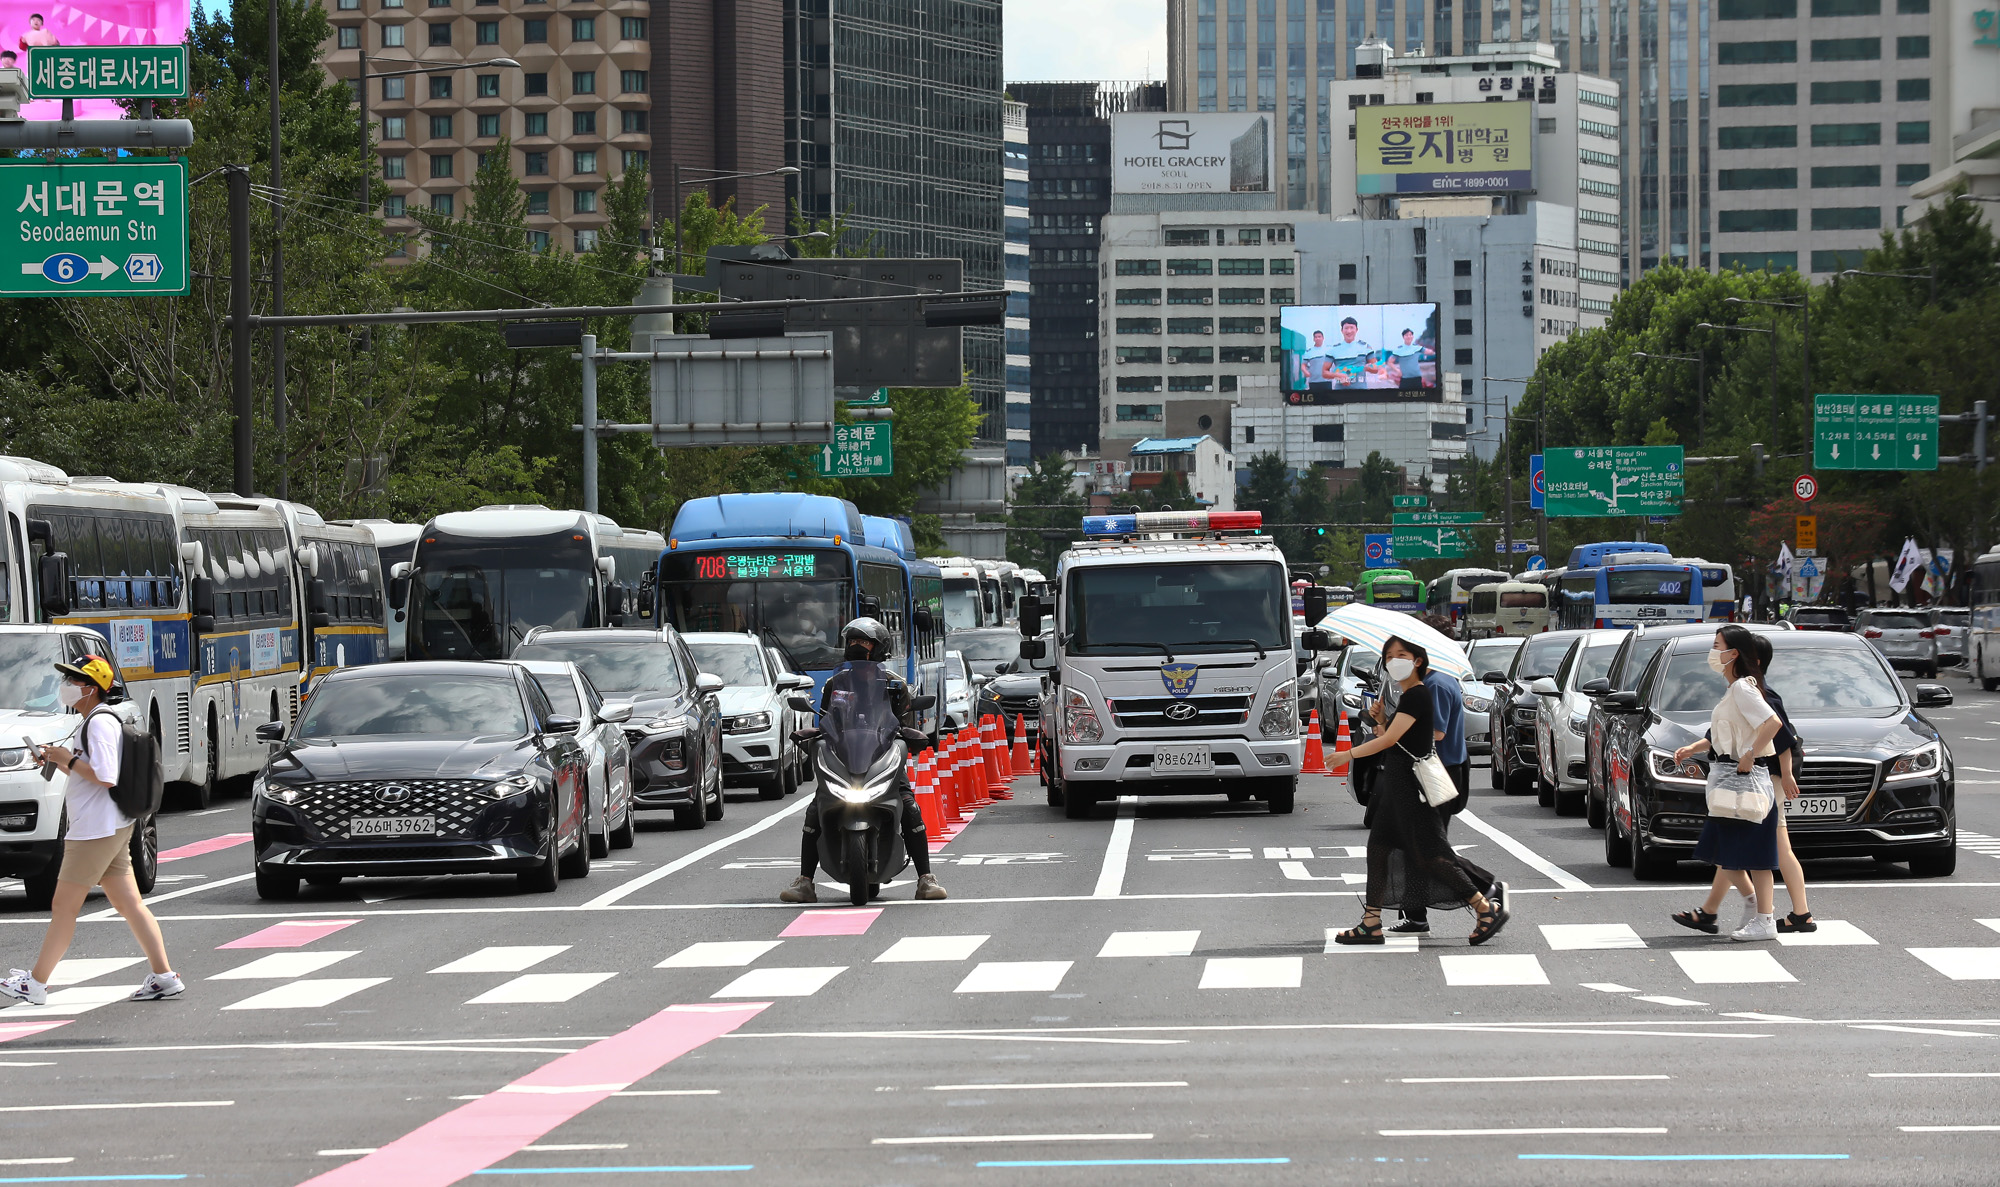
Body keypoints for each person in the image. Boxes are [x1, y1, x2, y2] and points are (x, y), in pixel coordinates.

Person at [0, 656, 180, 1007]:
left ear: (90, 689)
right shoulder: (93, 721)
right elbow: (92, 774)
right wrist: (59, 759)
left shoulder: (98, 724)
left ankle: (35, 984)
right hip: (109, 826)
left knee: (63, 907)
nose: (66, 685)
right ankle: (164, 976)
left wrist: (66, 759)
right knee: (128, 904)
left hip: (94, 832)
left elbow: (105, 774)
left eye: (72, 679)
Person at [1333, 637, 1507, 946]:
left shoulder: (1418, 695)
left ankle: (1485, 907)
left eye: (1401, 654)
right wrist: (1382, 721)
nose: (1393, 660)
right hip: (1397, 787)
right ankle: (1371, 921)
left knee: (1431, 856)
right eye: (1389, 656)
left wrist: (1347, 755)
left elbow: (1390, 743)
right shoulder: (1408, 696)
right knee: (1378, 848)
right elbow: (1398, 740)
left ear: (1417, 660)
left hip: (1413, 790)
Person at [780, 618, 946, 903]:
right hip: (845, 759)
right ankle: (805, 881)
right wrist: (814, 734)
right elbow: (826, 721)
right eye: (853, 641)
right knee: (816, 807)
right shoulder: (836, 683)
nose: (857, 647)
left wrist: (911, 737)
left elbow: (903, 728)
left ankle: (925, 878)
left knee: (909, 806)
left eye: (864, 642)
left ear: (879, 648)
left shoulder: (895, 685)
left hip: (882, 758)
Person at [1670, 625, 1786, 942]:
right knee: (1725, 853)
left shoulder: (1743, 689)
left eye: (1717, 644)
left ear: (1733, 653)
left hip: (1745, 781)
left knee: (1753, 856)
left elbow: (1773, 723)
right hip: (1731, 781)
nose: (1713, 650)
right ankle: (1756, 913)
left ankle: (1763, 919)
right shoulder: (1735, 689)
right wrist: (1698, 747)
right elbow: (1729, 732)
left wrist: (1749, 755)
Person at [1391, 662, 1503, 935]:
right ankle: (1416, 914)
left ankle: (1486, 888)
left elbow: (1436, 733)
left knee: (1429, 846)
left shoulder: (1437, 685)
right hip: (1431, 770)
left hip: (1438, 772)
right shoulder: (1429, 684)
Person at [1722, 633, 1814, 933]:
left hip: (1766, 780)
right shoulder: (1751, 691)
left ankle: (1761, 914)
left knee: (1743, 849)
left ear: (1754, 660)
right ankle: (1798, 914)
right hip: (1764, 780)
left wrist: (1786, 776)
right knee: (1775, 848)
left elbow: (1783, 738)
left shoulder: (1761, 695)